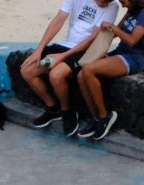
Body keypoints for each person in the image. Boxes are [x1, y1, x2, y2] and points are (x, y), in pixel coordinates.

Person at [21, 0, 120, 136]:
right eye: (102, 1)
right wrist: (39, 49)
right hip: (65, 46)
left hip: (84, 52)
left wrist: (62, 56)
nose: (104, 4)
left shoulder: (113, 6)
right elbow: (58, 20)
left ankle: (67, 110)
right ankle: (53, 109)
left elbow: (93, 38)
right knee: (26, 71)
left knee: (56, 75)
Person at [75, 0, 144, 140]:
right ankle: (95, 118)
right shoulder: (131, 11)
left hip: (134, 58)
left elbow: (132, 41)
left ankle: (104, 116)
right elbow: (115, 33)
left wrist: (112, 27)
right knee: (81, 75)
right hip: (120, 52)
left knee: (89, 70)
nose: (122, 5)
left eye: (124, 1)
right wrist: (103, 29)